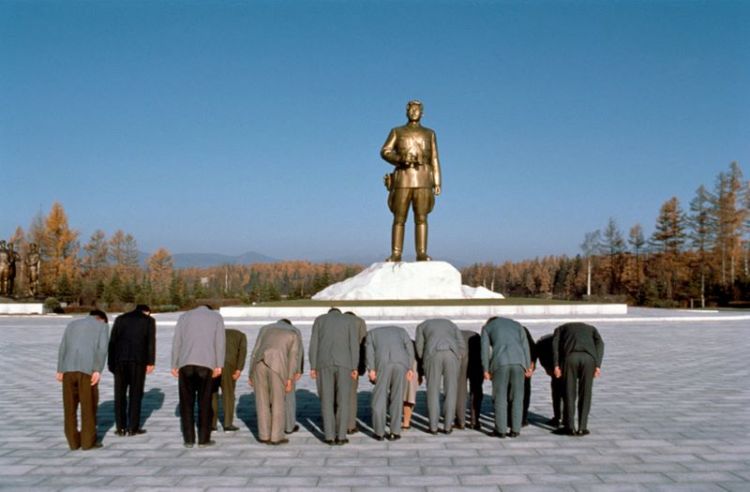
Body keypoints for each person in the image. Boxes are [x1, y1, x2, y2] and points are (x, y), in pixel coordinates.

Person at [380, 100, 442, 261]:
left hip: (423, 179)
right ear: (407, 112)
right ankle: (396, 253)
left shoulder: (430, 133)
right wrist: (400, 158)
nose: (414, 112)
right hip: (403, 179)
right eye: (412, 109)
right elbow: (385, 151)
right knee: (399, 218)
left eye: (417, 110)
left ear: (422, 113)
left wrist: (437, 182)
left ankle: (421, 252)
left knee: (421, 217)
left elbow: (434, 158)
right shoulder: (397, 131)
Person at [171, 305, 225, 448]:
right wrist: (219, 364)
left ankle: (188, 439)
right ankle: (203, 439)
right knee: (205, 402)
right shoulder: (216, 317)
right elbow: (219, 343)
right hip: (206, 364)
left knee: (186, 403)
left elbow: (177, 341)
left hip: (185, 364)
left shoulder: (184, 316)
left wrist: (174, 364)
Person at [56, 310, 109, 450]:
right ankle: (87, 442)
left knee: (69, 407)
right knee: (88, 406)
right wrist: (98, 369)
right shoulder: (102, 326)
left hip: (68, 370)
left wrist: (60, 369)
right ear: (102, 319)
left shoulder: (72, 324)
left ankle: (73, 442)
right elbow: (102, 349)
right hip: (87, 371)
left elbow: (63, 347)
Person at [309, 308, 360, 445]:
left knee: (326, 400)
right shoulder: (349, 320)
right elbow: (353, 345)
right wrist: (355, 366)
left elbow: (314, 344)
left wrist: (313, 366)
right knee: (343, 400)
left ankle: (329, 436)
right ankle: (341, 436)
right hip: (344, 364)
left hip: (323, 363)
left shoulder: (319, 320)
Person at [248, 320, 301, 445]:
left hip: (259, 365)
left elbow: (255, 352)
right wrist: (289, 379)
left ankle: (264, 435)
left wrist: (251, 373)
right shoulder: (293, 334)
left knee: (261, 401)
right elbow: (293, 358)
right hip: (277, 367)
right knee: (278, 401)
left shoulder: (265, 330)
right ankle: (276, 437)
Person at [108, 304, 156, 436]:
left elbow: (112, 341)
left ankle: (120, 427)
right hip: (138, 361)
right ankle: (133, 427)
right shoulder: (148, 321)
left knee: (120, 395)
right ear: (147, 311)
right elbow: (151, 342)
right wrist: (151, 362)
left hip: (119, 361)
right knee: (136, 394)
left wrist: (111, 363)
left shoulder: (120, 319)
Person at [481, 317, 532, 438]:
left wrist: (486, 369)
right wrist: (528, 366)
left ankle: (501, 430)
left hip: (500, 363)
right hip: (519, 363)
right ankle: (515, 429)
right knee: (518, 397)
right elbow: (525, 346)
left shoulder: (487, 328)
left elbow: (484, 350)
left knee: (500, 397)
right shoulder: (517, 325)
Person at [553, 322, 604, 436]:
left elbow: (555, 345)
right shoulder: (592, 328)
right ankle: (582, 427)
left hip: (570, 358)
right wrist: (598, 365)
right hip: (589, 359)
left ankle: (570, 427)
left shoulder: (559, 329)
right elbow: (600, 343)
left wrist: (556, 365)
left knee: (569, 392)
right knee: (586, 392)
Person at [415, 318, 466, 434]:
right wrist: (459, 355)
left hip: (433, 354)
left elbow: (419, 348)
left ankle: (433, 427)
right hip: (451, 354)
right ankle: (448, 426)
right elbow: (461, 344)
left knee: (433, 391)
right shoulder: (451, 324)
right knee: (451, 391)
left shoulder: (421, 326)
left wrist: (424, 360)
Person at [365, 325, 415, 441]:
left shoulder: (372, 333)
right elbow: (409, 349)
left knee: (379, 398)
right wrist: (410, 368)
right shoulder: (402, 330)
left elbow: (370, 352)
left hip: (383, 363)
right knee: (397, 398)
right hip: (401, 363)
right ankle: (394, 432)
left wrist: (371, 369)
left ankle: (379, 432)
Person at [211, 328, 247, 432]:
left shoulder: (214, 333)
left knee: (212, 394)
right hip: (229, 365)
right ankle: (227, 424)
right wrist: (239, 369)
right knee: (228, 394)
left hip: (213, 364)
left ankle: (212, 424)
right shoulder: (241, 335)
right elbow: (242, 353)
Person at [278, 319, 304, 435]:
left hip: (270, 365)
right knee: (289, 397)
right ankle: (289, 426)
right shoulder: (294, 331)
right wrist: (299, 369)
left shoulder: (268, 329)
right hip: (289, 366)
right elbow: (299, 351)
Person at [456, 329, 484, 430]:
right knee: (476, 389)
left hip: (461, 359)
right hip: (477, 359)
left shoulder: (456, 334)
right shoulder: (476, 336)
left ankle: (460, 421)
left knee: (460, 390)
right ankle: (475, 420)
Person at [345, 311, 367, 434]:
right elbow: (363, 344)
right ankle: (350, 425)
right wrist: (361, 366)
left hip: (334, 363)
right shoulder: (359, 322)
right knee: (351, 395)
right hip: (353, 364)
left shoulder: (335, 324)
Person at [535, 331, 564, 427]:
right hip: (564, 366)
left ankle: (558, 417)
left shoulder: (543, 343)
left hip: (556, 366)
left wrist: (548, 368)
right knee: (566, 393)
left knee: (557, 393)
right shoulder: (546, 342)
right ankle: (564, 417)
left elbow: (541, 356)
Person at [402, 339, 421, 430]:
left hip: (397, 366)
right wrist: (421, 375)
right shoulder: (414, 346)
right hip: (413, 369)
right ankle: (406, 422)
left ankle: (401, 421)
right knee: (409, 397)